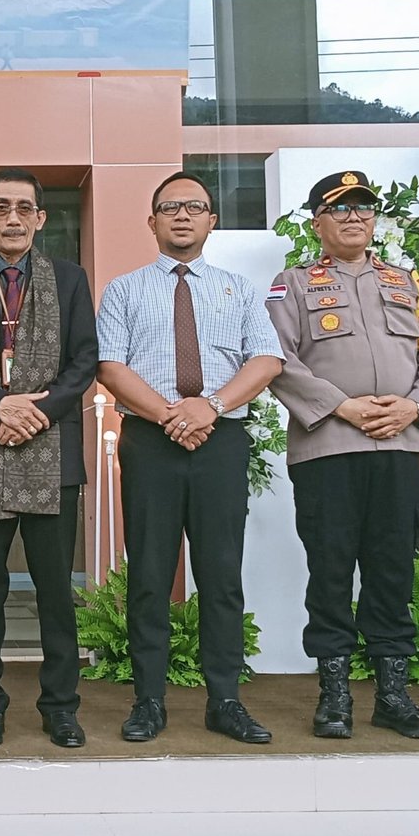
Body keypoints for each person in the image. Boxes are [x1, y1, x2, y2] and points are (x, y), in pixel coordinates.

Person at [267, 169, 419, 740]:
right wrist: (342, 408)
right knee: (329, 570)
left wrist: (413, 409)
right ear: (317, 222)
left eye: (364, 208)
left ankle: (393, 696)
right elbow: (276, 359)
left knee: (393, 569)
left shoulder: (407, 282)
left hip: (400, 446)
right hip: (327, 448)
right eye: (341, 208)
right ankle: (334, 696)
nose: (355, 217)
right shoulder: (293, 284)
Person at [97, 171, 284, 744]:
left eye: (194, 207)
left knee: (221, 574)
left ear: (211, 220)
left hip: (220, 441)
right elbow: (110, 366)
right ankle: (148, 699)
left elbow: (267, 360)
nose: (182, 216)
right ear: (151, 221)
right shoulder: (123, 290)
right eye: (169, 207)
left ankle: (224, 699)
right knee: (150, 574)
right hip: (151, 442)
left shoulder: (239, 289)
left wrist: (210, 407)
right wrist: (171, 415)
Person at [0, 168, 98, 749]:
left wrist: (37, 413)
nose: (12, 217)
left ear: (40, 218)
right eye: (0, 207)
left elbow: (85, 361)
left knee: (56, 590)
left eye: (23, 208)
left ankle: (60, 705)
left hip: (53, 455)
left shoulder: (71, 279)